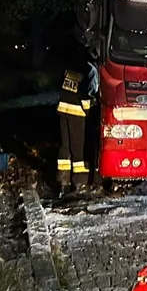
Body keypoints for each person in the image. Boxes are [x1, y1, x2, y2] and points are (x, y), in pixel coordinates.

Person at [56, 54, 99, 192]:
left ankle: (63, 182)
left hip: (63, 110)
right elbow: (86, 94)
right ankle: (79, 184)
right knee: (78, 150)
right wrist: (89, 113)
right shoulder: (90, 69)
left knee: (65, 147)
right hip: (77, 113)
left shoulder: (70, 65)